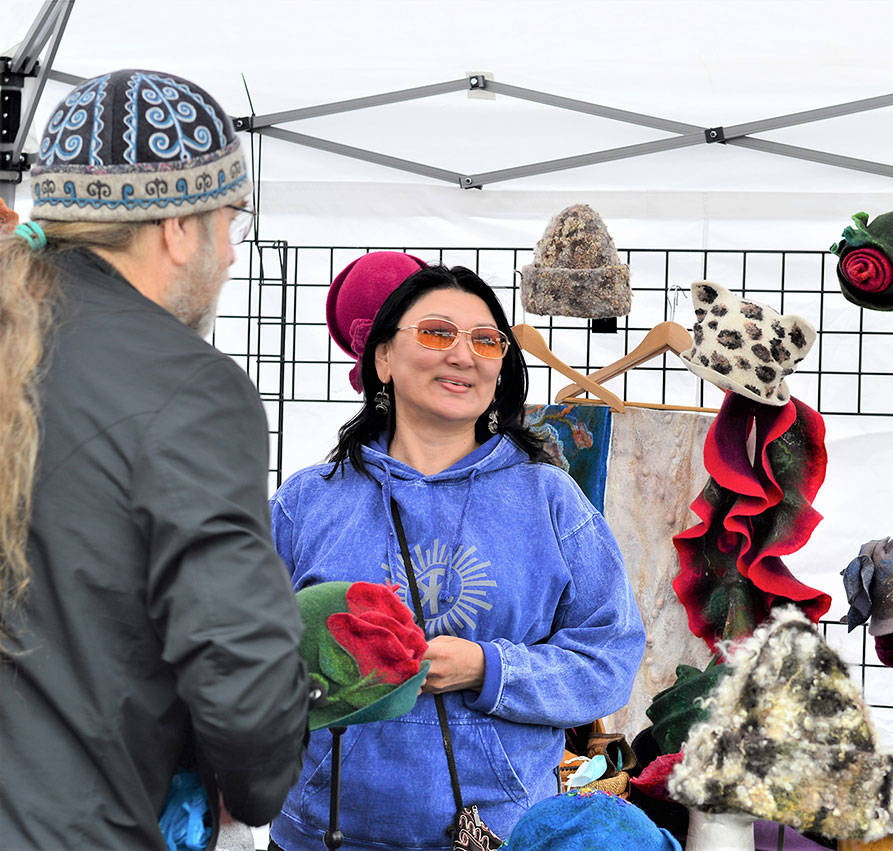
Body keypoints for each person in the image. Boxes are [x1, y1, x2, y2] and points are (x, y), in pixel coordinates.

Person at [0, 69, 311, 849]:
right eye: (231, 218)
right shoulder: (190, 387)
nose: (233, 253)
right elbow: (245, 682)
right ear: (177, 226)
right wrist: (254, 779)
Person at [267, 260, 646, 851]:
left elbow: (609, 661)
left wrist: (487, 668)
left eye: (485, 340)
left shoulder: (549, 499)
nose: (462, 355)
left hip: (498, 833)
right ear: (382, 360)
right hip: (322, 833)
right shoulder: (309, 501)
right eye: (437, 333)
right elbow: (239, 654)